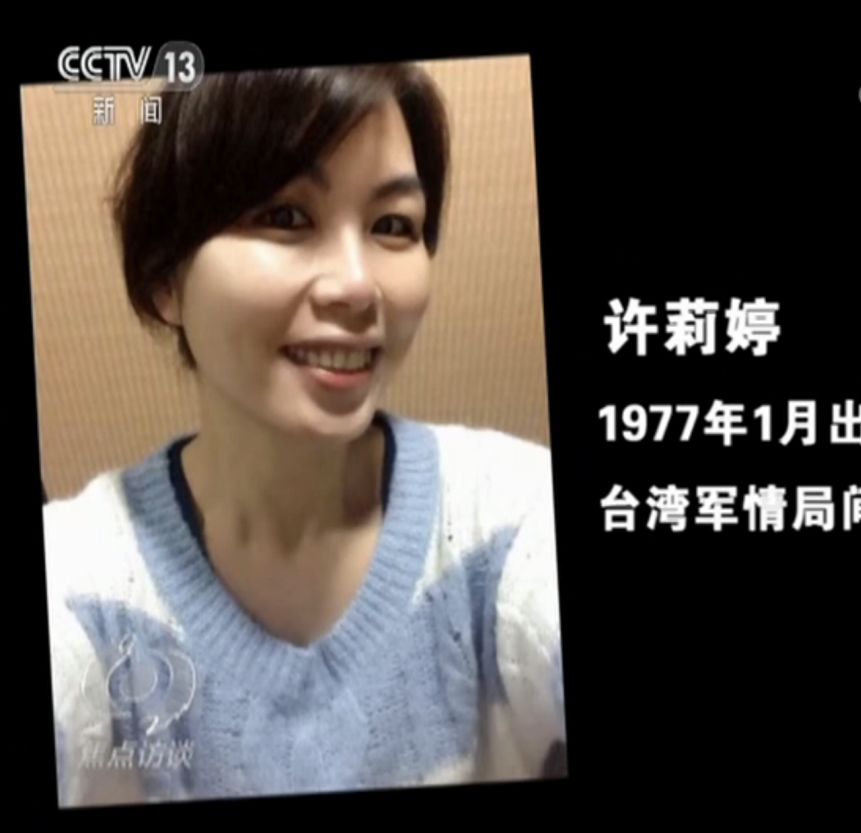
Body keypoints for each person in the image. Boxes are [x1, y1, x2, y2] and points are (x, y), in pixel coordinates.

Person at [42, 62, 565, 806]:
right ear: (165, 279)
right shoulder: (81, 582)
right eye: (286, 216)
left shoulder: (509, 522)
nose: (357, 286)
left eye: (393, 226)